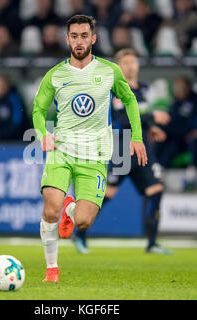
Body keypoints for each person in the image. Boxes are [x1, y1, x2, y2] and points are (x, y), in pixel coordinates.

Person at [32, 15, 147, 283]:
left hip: (95, 155)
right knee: (51, 207)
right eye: (75, 36)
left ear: (93, 38)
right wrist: (42, 135)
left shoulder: (110, 71)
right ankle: (52, 269)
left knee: (84, 221)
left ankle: (72, 211)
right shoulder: (56, 75)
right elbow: (38, 108)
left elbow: (129, 100)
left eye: (85, 35)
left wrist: (137, 136)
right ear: (67, 39)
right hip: (61, 150)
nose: (80, 40)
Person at [73, 48, 172, 255]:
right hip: (122, 148)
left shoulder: (143, 89)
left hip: (143, 150)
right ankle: (80, 234)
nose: (130, 66)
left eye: (133, 61)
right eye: (125, 62)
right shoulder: (116, 88)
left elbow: (137, 119)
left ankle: (152, 243)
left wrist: (150, 129)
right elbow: (123, 119)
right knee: (107, 195)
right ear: (118, 66)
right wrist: (153, 116)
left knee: (156, 191)